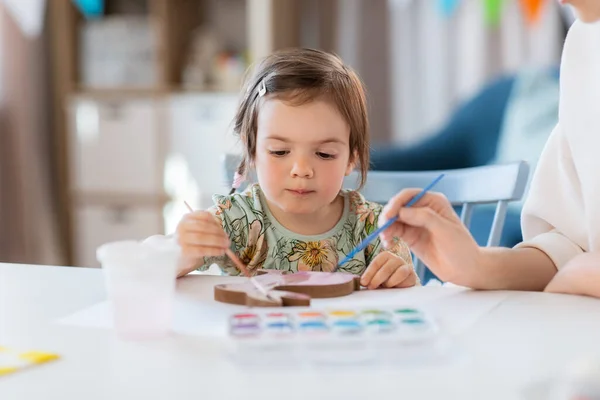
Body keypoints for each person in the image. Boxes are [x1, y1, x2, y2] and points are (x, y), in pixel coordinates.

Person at [378, 0, 600, 297]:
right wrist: (474, 264)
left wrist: (582, 275)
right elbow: (569, 248)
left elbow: (578, 269)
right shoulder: (585, 44)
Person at [175, 48, 418, 290]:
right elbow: (152, 269)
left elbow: (412, 300)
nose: (301, 170)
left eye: (324, 154)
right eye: (279, 151)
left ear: (351, 159)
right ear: (252, 152)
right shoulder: (235, 220)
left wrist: (401, 280)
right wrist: (181, 250)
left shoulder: (375, 228)